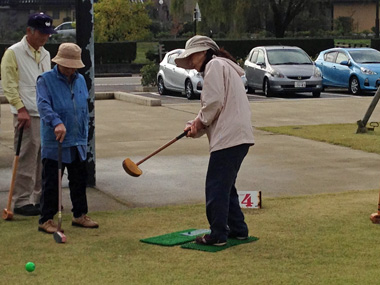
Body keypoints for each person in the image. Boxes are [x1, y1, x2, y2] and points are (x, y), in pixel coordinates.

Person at [175, 35, 255, 246]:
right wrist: (196, 126)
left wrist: (198, 123)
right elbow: (216, 108)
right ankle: (238, 229)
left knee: (216, 187)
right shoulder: (224, 66)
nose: (191, 63)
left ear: (204, 52)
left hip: (229, 138)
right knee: (226, 186)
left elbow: (213, 103)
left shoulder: (214, 66)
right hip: (238, 136)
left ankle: (217, 234)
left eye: (192, 56)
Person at [36, 43, 98, 233]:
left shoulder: (80, 80)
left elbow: (83, 106)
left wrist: (84, 132)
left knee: (79, 179)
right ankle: (46, 219)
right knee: (52, 182)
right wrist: (56, 122)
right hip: (56, 140)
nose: (71, 69)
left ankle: (80, 215)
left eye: (74, 65)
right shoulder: (45, 80)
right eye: (67, 65)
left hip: (77, 138)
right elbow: (43, 105)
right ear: (59, 62)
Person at [0, 13, 57, 216]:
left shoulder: (45, 54)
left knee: (44, 157)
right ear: (29, 31)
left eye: (48, 33)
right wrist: (20, 108)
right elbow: (8, 84)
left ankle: (39, 197)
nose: (45, 37)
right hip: (26, 114)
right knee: (26, 156)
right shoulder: (13, 53)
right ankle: (21, 199)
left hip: (44, 113)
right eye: (42, 33)